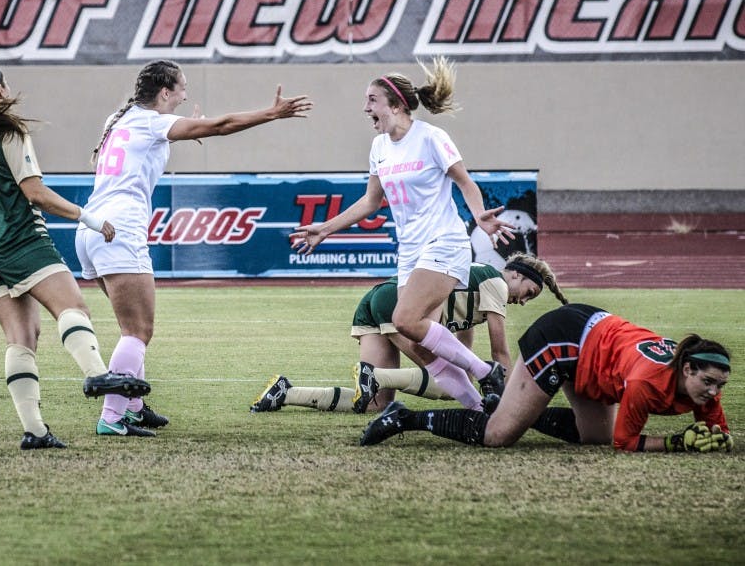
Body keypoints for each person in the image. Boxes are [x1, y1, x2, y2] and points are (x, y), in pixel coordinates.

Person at [77, 60, 313, 437]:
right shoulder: (154, 122)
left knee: (130, 327)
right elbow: (220, 127)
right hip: (119, 228)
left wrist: (184, 130)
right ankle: (113, 416)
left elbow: (146, 148)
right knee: (137, 331)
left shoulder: (117, 120)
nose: (186, 95)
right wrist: (272, 113)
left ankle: (133, 408)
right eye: (181, 88)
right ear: (165, 92)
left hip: (92, 228)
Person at [291, 57, 517, 415]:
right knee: (420, 342)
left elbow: (464, 181)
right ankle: (479, 409)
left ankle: (485, 371)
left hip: (444, 242)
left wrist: (480, 219)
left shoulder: (431, 137)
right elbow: (371, 201)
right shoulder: (379, 148)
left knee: (404, 320)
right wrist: (325, 228)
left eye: (372, 101)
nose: (366, 108)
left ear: (395, 105)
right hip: (410, 252)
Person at [0, 60, 150, 450]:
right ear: (0, 89)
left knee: (21, 340)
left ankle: (35, 431)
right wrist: (87, 217)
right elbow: (35, 193)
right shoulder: (9, 131)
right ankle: (95, 374)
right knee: (73, 308)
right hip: (23, 242)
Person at [361, 303, 734, 453]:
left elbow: (722, 433)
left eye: (720, 385)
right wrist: (674, 442)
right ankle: (405, 418)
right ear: (687, 369)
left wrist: (720, 440)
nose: (714, 392)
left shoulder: (703, 381)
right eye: (709, 384)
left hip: (593, 346)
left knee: (594, 436)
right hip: (562, 338)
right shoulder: (647, 383)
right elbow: (625, 442)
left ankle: (507, 404)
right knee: (498, 435)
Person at [250, 254, 568, 414]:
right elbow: (500, 353)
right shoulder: (495, 284)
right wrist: (514, 401)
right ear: (514, 274)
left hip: (376, 300)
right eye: (529, 291)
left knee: (375, 405)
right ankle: (376, 377)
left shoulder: (477, 289)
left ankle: (285, 393)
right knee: (448, 382)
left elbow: (461, 345)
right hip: (394, 301)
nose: (524, 300)